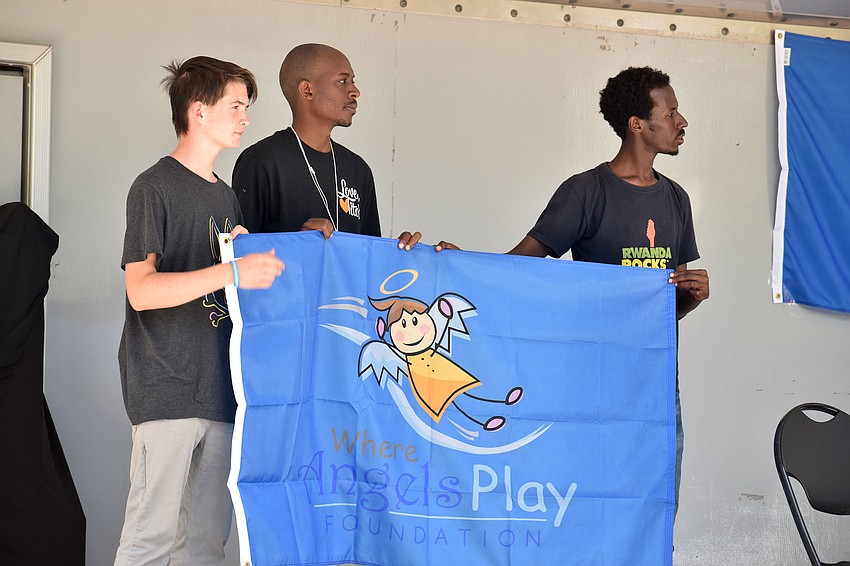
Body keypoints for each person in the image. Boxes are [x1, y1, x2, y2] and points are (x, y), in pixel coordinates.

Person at [508, 66, 710, 517]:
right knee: (587, 512)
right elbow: (517, 268)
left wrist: (690, 296)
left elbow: (662, 310)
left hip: (656, 387)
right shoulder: (585, 192)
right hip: (591, 386)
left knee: (653, 514)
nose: (682, 122)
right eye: (672, 111)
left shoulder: (677, 199)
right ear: (637, 124)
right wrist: (453, 263)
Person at [115, 56, 284, 565]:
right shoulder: (154, 186)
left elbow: (228, 288)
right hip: (165, 387)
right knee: (152, 539)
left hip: (222, 394)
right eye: (236, 106)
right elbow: (140, 291)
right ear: (199, 111)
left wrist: (239, 258)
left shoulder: (228, 197)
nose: (245, 118)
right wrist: (232, 272)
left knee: (207, 545)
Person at [232, 43, 432, 250]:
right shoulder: (261, 162)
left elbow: (367, 259)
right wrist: (298, 242)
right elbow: (238, 255)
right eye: (342, 81)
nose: (355, 91)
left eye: (353, 81)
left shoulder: (358, 170)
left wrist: (403, 252)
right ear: (307, 90)